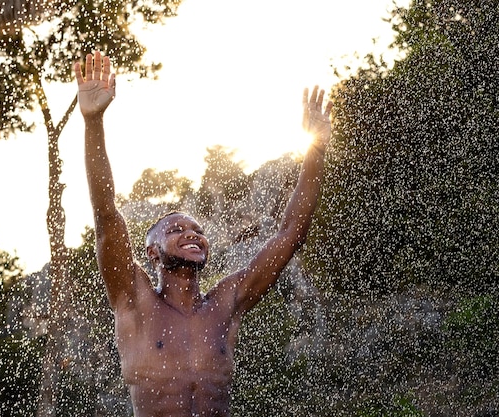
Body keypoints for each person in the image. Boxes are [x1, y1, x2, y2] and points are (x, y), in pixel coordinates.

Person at [74, 51, 332, 417]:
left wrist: (316, 149)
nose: (191, 234)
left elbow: (291, 233)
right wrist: (93, 123)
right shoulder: (135, 301)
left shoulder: (226, 303)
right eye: (176, 229)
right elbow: (106, 216)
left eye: (197, 229)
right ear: (151, 252)